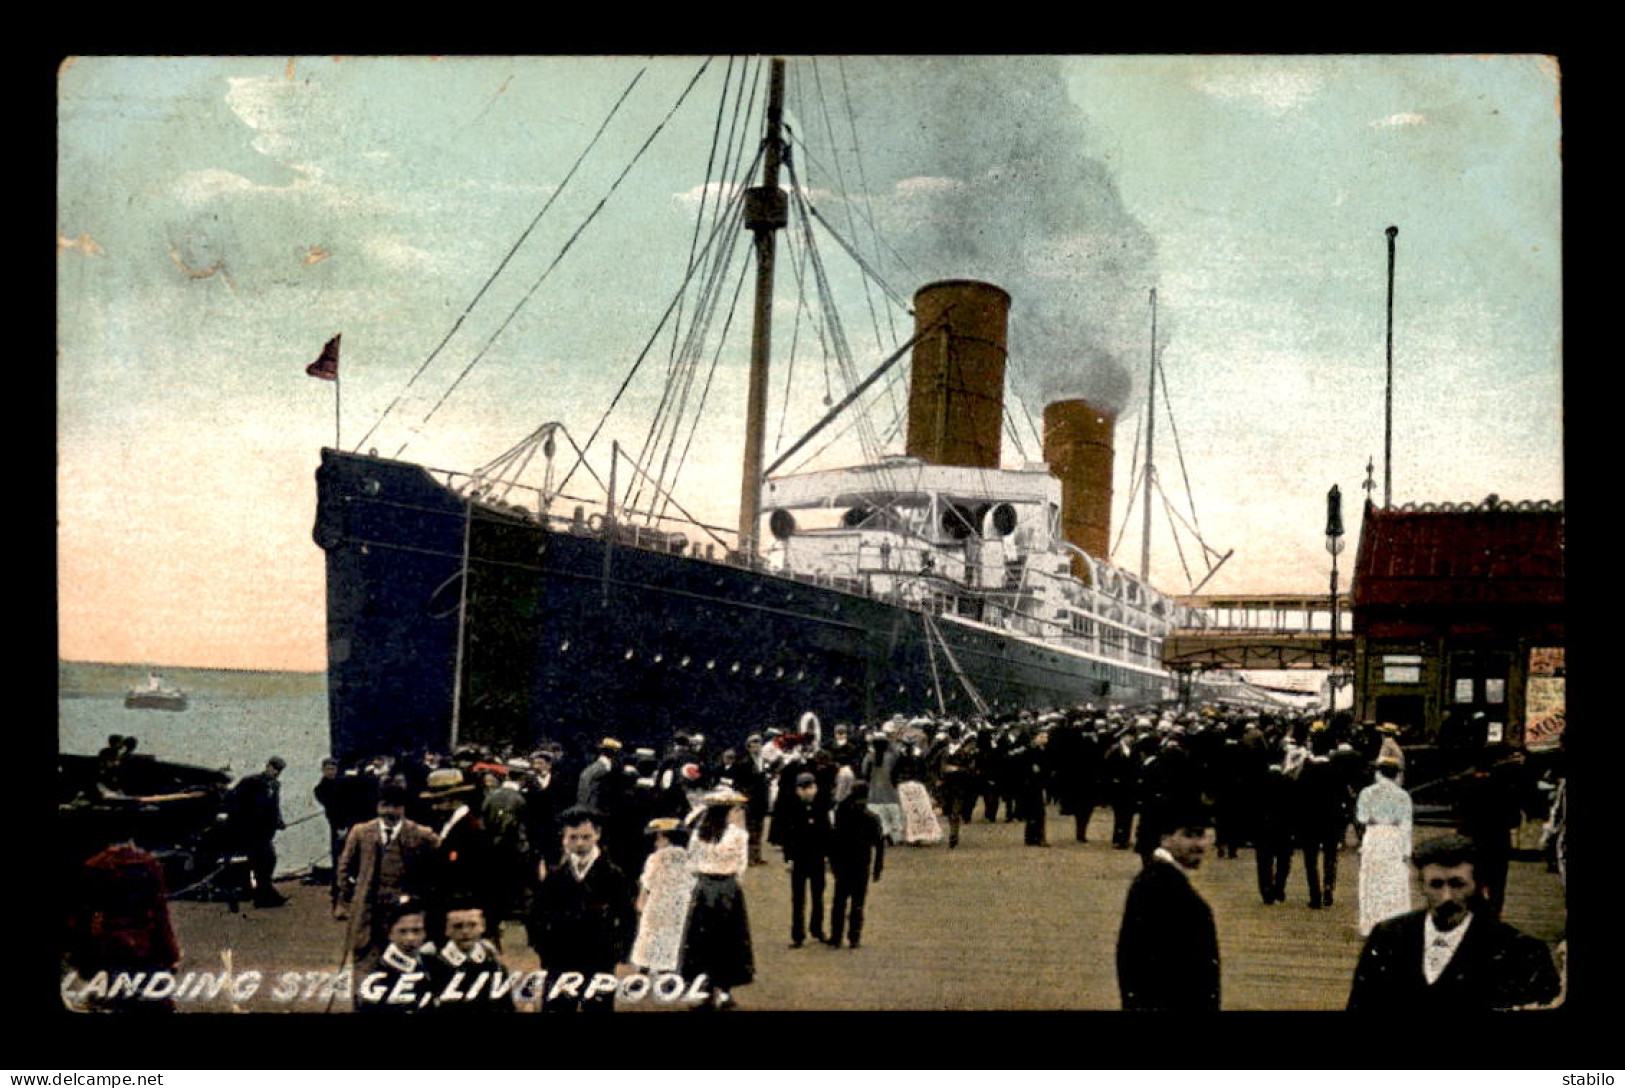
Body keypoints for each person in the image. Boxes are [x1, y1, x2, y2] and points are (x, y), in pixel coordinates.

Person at [1347, 834, 1561, 1011]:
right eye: (1436, 885)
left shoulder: (1520, 951)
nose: (1447, 897)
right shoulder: (1388, 937)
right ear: (1420, 885)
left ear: (1478, 886)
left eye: (1458, 885)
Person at [526, 807, 635, 1012]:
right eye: (573, 837)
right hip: (560, 956)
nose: (580, 844)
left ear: (598, 835)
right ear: (563, 838)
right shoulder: (555, 875)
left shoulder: (613, 874)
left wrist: (619, 949)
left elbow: (627, 915)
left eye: (586, 837)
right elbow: (536, 914)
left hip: (600, 956)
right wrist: (543, 949)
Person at [1115, 803, 1220, 1011]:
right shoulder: (1163, 886)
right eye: (1190, 835)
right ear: (1165, 839)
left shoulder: (1158, 880)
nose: (1200, 844)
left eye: (1203, 836)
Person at [63, 839, 182, 1013]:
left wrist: (79, 957)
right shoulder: (148, 864)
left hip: (106, 954)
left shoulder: (94, 867)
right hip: (145, 952)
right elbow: (160, 916)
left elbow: (82, 918)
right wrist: (170, 955)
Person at [335, 783, 443, 968]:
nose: (389, 811)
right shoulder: (361, 832)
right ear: (377, 806)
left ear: (403, 808)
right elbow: (343, 867)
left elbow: (442, 860)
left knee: (404, 958)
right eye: (385, 805)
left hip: (403, 909)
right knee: (364, 957)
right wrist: (354, 894)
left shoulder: (420, 833)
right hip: (368, 910)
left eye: (395, 806)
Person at [680, 788, 755, 1010]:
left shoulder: (699, 834)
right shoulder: (739, 835)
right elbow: (741, 865)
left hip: (704, 887)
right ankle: (723, 989)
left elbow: (691, 862)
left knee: (700, 941)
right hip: (727, 889)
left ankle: (701, 989)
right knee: (728, 941)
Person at [354, 896, 451, 1014]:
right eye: (402, 931)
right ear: (390, 934)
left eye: (416, 931)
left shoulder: (434, 964)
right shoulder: (375, 971)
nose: (410, 938)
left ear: (425, 933)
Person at [629, 817, 696, 976]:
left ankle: (644, 967)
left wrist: (641, 900)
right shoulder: (687, 858)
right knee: (671, 936)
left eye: (659, 837)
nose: (656, 842)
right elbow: (691, 882)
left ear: (666, 838)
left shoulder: (655, 858)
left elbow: (648, 882)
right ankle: (666, 968)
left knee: (650, 935)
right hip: (678, 904)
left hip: (657, 903)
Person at [772, 771, 831, 949]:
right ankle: (798, 934)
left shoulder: (821, 806)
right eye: (804, 788)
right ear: (797, 790)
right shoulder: (791, 808)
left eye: (810, 788)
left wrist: (828, 855)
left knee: (818, 895)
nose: (808, 792)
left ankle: (817, 929)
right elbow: (787, 836)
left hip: (817, 857)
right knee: (798, 898)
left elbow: (826, 832)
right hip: (798, 858)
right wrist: (788, 858)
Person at [1355, 759, 1413, 936]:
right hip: (1394, 836)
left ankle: (1369, 923)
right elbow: (1407, 824)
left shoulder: (1367, 792)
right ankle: (1395, 919)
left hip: (1374, 835)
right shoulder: (1403, 796)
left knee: (1371, 879)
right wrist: (1406, 850)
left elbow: (1362, 817)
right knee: (1394, 880)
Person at [429, 899, 515, 1013]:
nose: (465, 931)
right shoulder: (432, 966)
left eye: (472, 925)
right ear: (447, 929)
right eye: (458, 926)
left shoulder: (494, 965)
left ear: (482, 927)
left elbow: (506, 1006)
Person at [828, 781, 885, 949]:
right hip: (861, 864)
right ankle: (854, 937)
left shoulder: (841, 813)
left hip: (843, 863)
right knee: (858, 902)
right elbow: (879, 845)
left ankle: (836, 935)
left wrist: (832, 861)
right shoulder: (871, 818)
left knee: (839, 901)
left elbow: (834, 839)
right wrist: (877, 868)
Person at [226, 756, 288, 908]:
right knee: (265, 861)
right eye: (274, 768)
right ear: (267, 766)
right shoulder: (251, 781)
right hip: (250, 831)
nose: (275, 772)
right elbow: (233, 800)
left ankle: (263, 895)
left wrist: (279, 821)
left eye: (278, 770)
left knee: (266, 862)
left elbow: (274, 807)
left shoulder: (275, 785)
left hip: (265, 832)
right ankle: (264, 896)